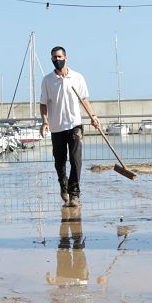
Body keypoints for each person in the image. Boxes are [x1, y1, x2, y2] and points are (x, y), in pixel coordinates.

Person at [39, 46, 101, 207]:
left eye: (59, 57)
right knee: (60, 162)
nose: (57, 60)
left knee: (76, 161)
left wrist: (93, 117)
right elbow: (43, 104)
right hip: (57, 127)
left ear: (66, 57)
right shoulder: (47, 80)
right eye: (54, 58)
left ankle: (74, 194)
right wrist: (45, 121)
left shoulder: (77, 77)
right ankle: (63, 185)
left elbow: (84, 100)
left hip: (75, 125)